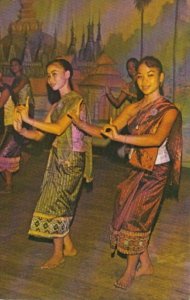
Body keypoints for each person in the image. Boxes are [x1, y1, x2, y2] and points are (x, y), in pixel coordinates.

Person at [68, 56, 182, 289]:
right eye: (139, 76)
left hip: (156, 172)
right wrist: (80, 124)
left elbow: (156, 139)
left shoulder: (169, 110)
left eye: (150, 75)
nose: (144, 80)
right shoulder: (133, 107)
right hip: (136, 167)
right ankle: (146, 264)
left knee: (135, 219)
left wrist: (120, 138)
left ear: (160, 77)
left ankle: (130, 271)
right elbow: (105, 132)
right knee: (127, 211)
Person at [14, 58, 92, 269]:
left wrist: (29, 119)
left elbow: (58, 129)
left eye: (54, 73)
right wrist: (22, 130)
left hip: (71, 160)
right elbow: (40, 135)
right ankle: (68, 246)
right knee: (57, 201)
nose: (50, 79)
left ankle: (58, 254)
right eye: (48, 75)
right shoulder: (58, 104)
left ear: (67, 75)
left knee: (55, 203)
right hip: (59, 157)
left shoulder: (75, 100)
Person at [0, 71, 20, 193]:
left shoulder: (6, 89)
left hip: (11, 127)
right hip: (4, 127)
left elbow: (1, 104)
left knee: (4, 155)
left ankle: (9, 185)